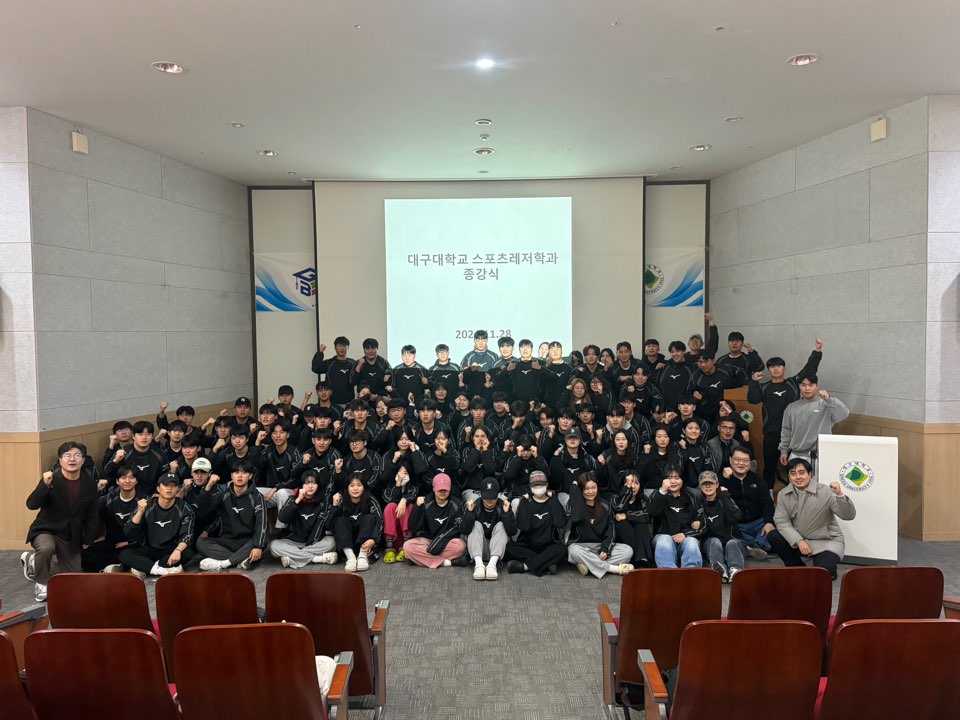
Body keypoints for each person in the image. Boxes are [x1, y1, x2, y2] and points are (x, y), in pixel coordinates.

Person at [22, 442, 100, 601]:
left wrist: (89, 537)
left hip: (70, 534)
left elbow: (93, 513)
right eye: (67, 456)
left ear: (83, 460)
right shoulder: (51, 479)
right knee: (46, 547)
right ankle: (42, 583)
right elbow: (31, 504)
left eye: (77, 455)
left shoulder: (90, 483)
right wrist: (44, 485)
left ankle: (34, 562)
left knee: (73, 575)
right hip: (46, 530)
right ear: (60, 460)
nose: (72, 459)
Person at [748, 338, 823, 489]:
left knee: (795, 467)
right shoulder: (764, 387)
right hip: (772, 432)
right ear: (768, 370)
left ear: (784, 368)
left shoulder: (793, 383)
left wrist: (817, 351)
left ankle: (796, 491)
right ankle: (769, 493)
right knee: (769, 465)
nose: (776, 369)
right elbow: (753, 399)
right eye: (772, 367)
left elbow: (809, 369)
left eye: (779, 366)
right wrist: (754, 382)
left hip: (794, 432)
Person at [767, 457, 856, 579]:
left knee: (823, 573)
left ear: (810, 474)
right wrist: (799, 541)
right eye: (793, 473)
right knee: (773, 536)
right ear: (788, 476)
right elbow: (782, 522)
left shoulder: (825, 491)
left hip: (826, 541)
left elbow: (848, 516)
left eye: (802, 473)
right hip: (799, 540)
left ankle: (824, 569)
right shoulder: (783, 494)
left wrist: (840, 495)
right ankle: (797, 568)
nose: (798, 477)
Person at [196, 460, 267, 571]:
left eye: (244, 473)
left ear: (250, 476)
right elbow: (204, 507)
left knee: (260, 543)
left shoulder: (257, 497)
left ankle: (224, 563)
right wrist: (208, 486)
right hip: (228, 541)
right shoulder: (224, 494)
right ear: (231, 476)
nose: (240, 476)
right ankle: (240, 560)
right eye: (236, 472)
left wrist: (258, 546)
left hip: (247, 542)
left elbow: (261, 524)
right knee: (200, 543)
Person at [119, 473, 195, 578]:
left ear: (178, 489)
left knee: (187, 553)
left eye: (173, 486)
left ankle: (145, 567)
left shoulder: (185, 508)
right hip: (149, 548)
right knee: (124, 554)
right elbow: (128, 531)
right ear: (158, 488)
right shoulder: (147, 505)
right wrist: (140, 512)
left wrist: (178, 550)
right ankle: (161, 570)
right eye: (166, 485)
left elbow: (187, 535)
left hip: (170, 550)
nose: (169, 488)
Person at [566, 472, 634, 578]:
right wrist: (574, 489)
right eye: (586, 488)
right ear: (580, 489)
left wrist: (605, 549)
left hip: (599, 546)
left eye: (594, 487)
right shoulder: (573, 505)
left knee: (627, 551)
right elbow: (575, 517)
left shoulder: (605, 505)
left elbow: (611, 530)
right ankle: (613, 568)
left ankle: (588, 564)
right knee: (573, 551)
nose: (591, 491)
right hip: (580, 546)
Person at [778, 373, 849, 473]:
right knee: (797, 482)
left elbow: (844, 414)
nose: (807, 388)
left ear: (817, 386)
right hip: (796, 454)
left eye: (811, 385)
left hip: (819, 456)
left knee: (819, 482)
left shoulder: (826, 405)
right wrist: (784, 450)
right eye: (803, 385)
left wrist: (829, 399)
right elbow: (786, 431)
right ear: (799, 387)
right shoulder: (791, 407)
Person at [269, 470, 339, 568]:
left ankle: (294, 557)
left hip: (315, 542)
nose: (310, 486)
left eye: (313, 483)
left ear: (318, 485)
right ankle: (317, 559)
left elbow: (326, 524)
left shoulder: (323, 501)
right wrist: (298, 500)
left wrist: (334, 506)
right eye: (307, 483)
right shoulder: (294, 498)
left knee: (332, 542)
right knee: (274, 546)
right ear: (302, 485)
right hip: (293, 541)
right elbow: (282, 518)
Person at [84, 465, 147, 572]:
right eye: (123, 477)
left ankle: (117, 565)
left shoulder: (144, 500)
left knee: (128, 554)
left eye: (131, 477)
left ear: (136, 481)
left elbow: (150, 529)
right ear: (117, 481)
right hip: (113, 542)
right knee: (86, 553)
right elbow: (89, 512)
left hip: (136, 544)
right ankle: (120, 565)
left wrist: (129, 543)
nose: (127, 481)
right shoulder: (108, 499)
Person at [504, 471, 568, 576]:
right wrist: (524, 502)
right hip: (528, 545)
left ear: (546, 485)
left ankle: (525, 566)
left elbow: (559, 523)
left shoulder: (553, 501)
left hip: (548, 545)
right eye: (535, 485)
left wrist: (553, 499)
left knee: (562, 550)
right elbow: (524, 526)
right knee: (509, 547)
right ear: (530, 487)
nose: (538, 488)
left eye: (541, 485)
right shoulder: (526, 502)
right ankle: (546, 563)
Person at [402, 473, 468, 569]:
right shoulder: (425, 502)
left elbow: (457, 529)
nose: (442, 492)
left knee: (460, 545)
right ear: (433, 488)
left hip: (446, 541)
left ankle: (420, 559)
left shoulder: (457, 504)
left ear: (450, 488)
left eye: (445, 489)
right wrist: (417, 508)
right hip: (427, 541)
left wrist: (439, 541)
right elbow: (413, 527)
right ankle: (447, 563)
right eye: (440, 489)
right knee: (407, 546)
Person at [723, 446, 775, 559]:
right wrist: (724, 479)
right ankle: (758, 546)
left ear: (750, 463)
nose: (741, 463)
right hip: (738, 525)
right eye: (737, 459)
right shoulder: (723, 479)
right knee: (730, 533)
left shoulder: (758, 480)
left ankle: (751, 547)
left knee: (775, 525)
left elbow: (768, 503)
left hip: (758, 523)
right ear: (730, 460)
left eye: (745, 460)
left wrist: (769, 523)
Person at [648, 465, 705, 569]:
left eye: (677, 478)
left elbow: (703, 524)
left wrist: (685, 534)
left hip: (685, 539)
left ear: (682, 480)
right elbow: (652, 512)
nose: (673, 481)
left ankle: (691, 573)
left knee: (692, 542)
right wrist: (663, 491)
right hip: (663, 538)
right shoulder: (657, 494)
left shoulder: (692, 497)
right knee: (664, 539)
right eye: (669, 478)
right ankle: (669, 573)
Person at [462, 478, 516, 580]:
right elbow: (464, 531)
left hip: (497, 551)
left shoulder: (503, 506)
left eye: (492, 496)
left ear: (498, 495)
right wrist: (469, 512)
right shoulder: (475, 505)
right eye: (487, 496)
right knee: (476, 524)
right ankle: (479, 566)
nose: (489, 500)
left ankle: (492, 566)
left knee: (501, 525)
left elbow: (512, 532)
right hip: (478, 551)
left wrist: (507, 514)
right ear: (481, 494)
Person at [330, 473, 384, 571]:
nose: (355, 489)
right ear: (347, 487)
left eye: (359, 485)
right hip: (347, 543)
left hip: (366, 544)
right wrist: (334, 505)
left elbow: (380, 521)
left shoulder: (370, 499)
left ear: (364, 487)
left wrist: (374, 540)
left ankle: (362, 557)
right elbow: (329, 524)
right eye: (352, 485)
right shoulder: (341, 499)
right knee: (340, 520)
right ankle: (351, 559)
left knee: (369, 518)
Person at [697, 471, 744, 583]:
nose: (708, 486)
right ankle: (719, 571)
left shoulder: (725, 498)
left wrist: (725, 497)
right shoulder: (698, 502)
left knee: (732, 544)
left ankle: (735, 571)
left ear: (717, 484)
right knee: (714, 541)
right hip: (711, 543)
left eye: (711, 483)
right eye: (704, 484)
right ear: (700, 486)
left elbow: (737, 517)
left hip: (731, 539)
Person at [611, 470, 653, 566]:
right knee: (623, 524)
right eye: (629, 483)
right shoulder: (615, 497)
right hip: (621, 538)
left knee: (642, 525)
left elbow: (647, 515)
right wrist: (627, 492)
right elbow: (619, 508)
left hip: (639, 534)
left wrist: (627, 516)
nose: (633, 486)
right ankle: (635, 558)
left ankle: (641, 559)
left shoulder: (643, 498)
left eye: (636, 483)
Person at [311, 336, 356, 406]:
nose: (342, 348)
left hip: (349, 402)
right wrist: (320, 352)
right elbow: (315, 368)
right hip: (332, 402)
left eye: (344, 346)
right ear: (335, 347)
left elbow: (357, 379)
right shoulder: (329, 363)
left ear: (348, 348)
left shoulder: (352, 363)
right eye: (339, 346)